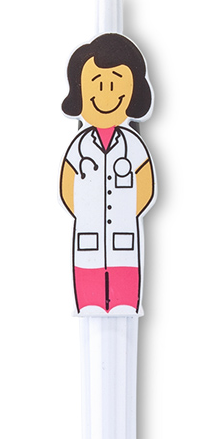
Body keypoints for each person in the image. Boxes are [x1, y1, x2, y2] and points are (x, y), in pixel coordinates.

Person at [59, 33, 155, 314]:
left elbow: (145, 185)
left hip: (123, 238)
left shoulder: (133, 145)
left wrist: (125, 212)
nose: (106, 95)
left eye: (115, 86)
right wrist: (88, 211)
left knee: (124, 299)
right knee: (90, 300)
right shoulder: (79, 147)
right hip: (88, 238)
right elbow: (67, 188)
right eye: (97, 86)